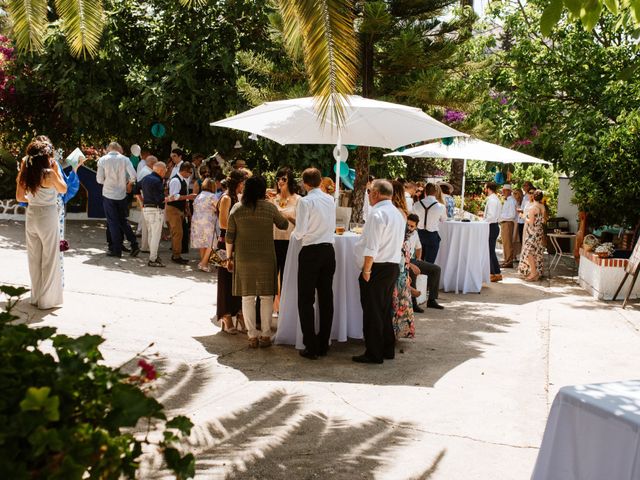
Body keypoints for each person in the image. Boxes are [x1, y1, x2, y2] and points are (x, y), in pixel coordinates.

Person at [226, 176, 289, 348]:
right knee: (267, 296)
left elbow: (229, 236)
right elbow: (283, 225)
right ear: (263, 190)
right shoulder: (269, 208)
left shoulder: (237, 209)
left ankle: (252, 336)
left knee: (247, 297)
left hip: (244, 258)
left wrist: (229, 257)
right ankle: (266, 335)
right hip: (266, 257)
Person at [353, 180, 405, 364]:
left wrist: (366, 270)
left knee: (372, 311)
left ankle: (374, 352)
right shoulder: (397, 214)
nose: (368, 195)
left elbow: (372, 247)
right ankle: (386, 348)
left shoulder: (377, 214)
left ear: (375, 193)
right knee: (384, 310)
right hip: (391, 266)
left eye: (369, 192)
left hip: (377, 267)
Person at [16, 138, 67, 309]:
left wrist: (32, 197)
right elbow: (63, 189)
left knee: (34, 258)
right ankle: (47, 301)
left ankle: (35, 297)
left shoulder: (26, 173)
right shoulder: (49, 174)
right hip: (48, 214)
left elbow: (19, 197)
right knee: (50, 258)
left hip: (32, 215)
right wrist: (55, 170)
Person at [291, 168, 336, 360]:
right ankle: (324, 342)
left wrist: (292, 228)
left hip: (311, 252)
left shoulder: (305, 201)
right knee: (326, 297)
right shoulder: (330, 199)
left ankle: (311, 345)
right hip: (328, 250)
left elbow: (300, 232)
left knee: (306, 299)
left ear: (305, 183)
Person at [96, 142, 140, 258]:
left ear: (109, 149)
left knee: (112, 222)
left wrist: (109, 182)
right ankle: (134, 244)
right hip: (121, 194)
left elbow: (99, 180)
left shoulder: (103, 160)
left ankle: (116, 250)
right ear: (118, 149)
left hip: (108, 194)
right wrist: (128, 184)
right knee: (123, 221)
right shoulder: (125, 159)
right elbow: (134, 176)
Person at [216, 169, 246, 333]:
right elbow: (222, 224)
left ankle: (239, 313)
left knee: (237, 280)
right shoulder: (226, 198)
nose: (244, 186)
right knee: (225, 281)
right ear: (238, 183)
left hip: (236, 242)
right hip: (224, 243)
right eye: (243, 183)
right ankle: (226, 316)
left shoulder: (237, 198)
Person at [271, 166, 300, 315]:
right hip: (273, 240)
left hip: (290, 241)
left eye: (284, 179)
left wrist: (288, 217)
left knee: (286, 278)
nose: (280, 182)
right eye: (278, 178)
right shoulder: (272, 199)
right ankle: (269, 309)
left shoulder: (298, 200)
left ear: (290, 181)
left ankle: (286, 312)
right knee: (270, 278)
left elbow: (301, 223)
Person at [390, 181, 414, 339]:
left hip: (397, 253)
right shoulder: (403, 211)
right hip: (403, 252)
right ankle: (398, 327)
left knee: (395, 290)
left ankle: (392, 328)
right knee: (401, 291)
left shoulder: (394, 211)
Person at [406, 214, 444, 310]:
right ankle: (413, 304)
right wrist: (410, 264)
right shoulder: (400, 234)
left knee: (436, 269)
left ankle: (431, 300)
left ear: (416, 226)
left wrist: (418, 258)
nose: (409, 228)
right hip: (403, 262)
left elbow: (419, 247)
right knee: (412, 272)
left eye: (412, 226)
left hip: (413, 260)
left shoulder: (415, 233)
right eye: (408, 225)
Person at [165, 161, 196, 264]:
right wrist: (189, 197)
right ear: (185, 171)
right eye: (190, 172)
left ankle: (177, 254)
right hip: (173, 209)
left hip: (179, 209)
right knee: (177, 233)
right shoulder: (175, 181)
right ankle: (176, 255)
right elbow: (173, 197)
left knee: (179, 233)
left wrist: (186, 208)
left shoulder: (182, 180)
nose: (190, 174)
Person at [139, 160, 167, 267]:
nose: (165, 172)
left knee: (151, 234)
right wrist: (167, 198)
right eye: (164, 170)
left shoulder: (145, 178)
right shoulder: (157, 181)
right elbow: (159, 199)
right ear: (160, 170)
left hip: (146, 209)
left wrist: (142, 201)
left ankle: (153, 256)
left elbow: (136, 189)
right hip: (155, 210)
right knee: (155, 235)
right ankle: (153, 259)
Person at [411, 182, 447, 263]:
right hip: (432, 236)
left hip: (419, 235)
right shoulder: (441, 206)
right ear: (436, 192)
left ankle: (418, 275)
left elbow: (412, 219)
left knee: (418, 261)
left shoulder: (416, 204)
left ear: (425, 191)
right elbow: (443, 219)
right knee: (430, 263)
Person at [191, 178, 219, 272]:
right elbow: (218, 208)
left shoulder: (199, 196)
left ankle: (204, 264)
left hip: (196, 220)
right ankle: (203, 263)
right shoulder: (213, 196)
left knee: (202, 242)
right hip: (208, 221)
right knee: (211, 243)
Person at [518, 190, 546, 281]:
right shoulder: (542, 207)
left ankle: (533, 273)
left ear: (533, 197)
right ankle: (537, 273)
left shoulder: (532, 208)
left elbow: (530, 223)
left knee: (529, 252)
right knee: (537, 252)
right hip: (539, 232)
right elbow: (543, 221)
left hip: (532, 233)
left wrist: (523, 217)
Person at [135, 155, 158, 253]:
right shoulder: (147, 172)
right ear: (152, 164)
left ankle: (145, 246)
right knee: (147, 224)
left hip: (145, 199)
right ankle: (146, 246)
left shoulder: (145, 170)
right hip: (147, 200)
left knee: (146, 223)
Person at [483, 181, 502, 282]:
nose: (484, 190)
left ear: (488, 188)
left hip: (492, 226)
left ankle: (494, 273)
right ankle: (496, 272)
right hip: (493, 226)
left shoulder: (492, 200)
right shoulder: (494, 199)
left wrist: (482, 223)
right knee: (490, 250)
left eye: (485, 188)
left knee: (490, 250)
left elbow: (491, 216)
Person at [499, 184, 518, 268]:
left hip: (508, 223)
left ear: (509, 191)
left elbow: (512, 215)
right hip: (504, 223)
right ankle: (506, 260)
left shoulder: (512, 201)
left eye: (504, 190)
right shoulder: (507, 200)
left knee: (508, 243)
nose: (503, 192)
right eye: (503, 190)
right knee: (505, 243)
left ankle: (509, 262)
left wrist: (500, 217)